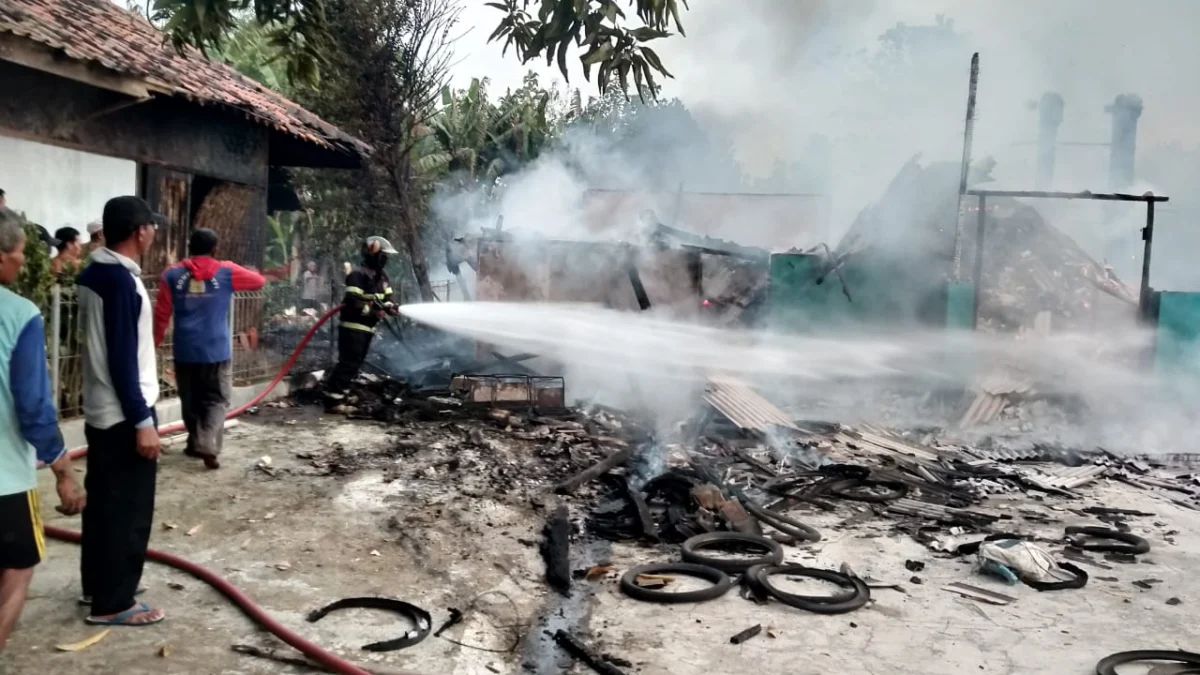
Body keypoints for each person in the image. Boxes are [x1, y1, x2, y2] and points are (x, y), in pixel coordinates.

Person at [75, 196, 165, 627]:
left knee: (103, 505)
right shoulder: (119, 283)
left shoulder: (94, 272)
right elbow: (122, 359)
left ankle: (99, 583)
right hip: (125, 414)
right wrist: (143, 421)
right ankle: (114, 601)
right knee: (128, 510)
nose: (154, 233)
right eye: (152, 226)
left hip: (101, 410)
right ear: (140, 231)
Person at [0, 207, 86, 651]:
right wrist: (64, 473)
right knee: (17, 567)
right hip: (5, 480)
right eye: (18, 254)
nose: (21, 262)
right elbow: (33, 405)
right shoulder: (19, 313)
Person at [152, 228, 264, 470]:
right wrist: (228, 264)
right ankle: (206, 443)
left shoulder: (171, 274)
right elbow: (258, 281)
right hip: (216, 351)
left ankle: (195, 444)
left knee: (190, 400)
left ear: (190, 247)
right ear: (215, 249)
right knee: (216, 399)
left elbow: (161, 314)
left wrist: (153, 342)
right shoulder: (226, 272)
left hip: (185, 350)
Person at [325, 237, 399, 402]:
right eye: (383, 255)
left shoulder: (383, 277)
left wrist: (391, 306)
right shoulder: (357, 275)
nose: (385, 259)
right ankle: (333, 401)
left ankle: (340, 394)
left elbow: (388, 298)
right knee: (348, 363)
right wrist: (373, 309)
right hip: (352, 328)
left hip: (367, 329)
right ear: (372, 254)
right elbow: (352, 302)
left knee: (355, 363)